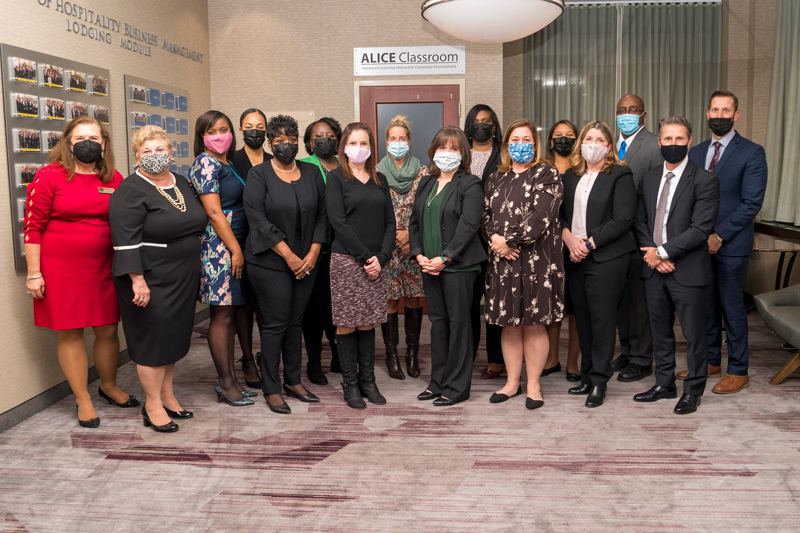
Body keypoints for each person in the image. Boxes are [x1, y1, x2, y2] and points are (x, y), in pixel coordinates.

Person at [23, 115, 137, 429]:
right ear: (68, 143)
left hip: (104, 268)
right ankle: (82, 397)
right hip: (61, 269)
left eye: (95, 138)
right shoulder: (50, 176)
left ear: (104, 143)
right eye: (80, 138)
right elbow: (33, 227)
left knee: (107, 329)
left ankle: (108, 385)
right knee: (71, 331)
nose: (88, 143)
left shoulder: (113, 177)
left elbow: (127, 221)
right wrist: (35, 274)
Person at [110, 125, 208, 432]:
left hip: (182, 274)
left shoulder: (179, 181)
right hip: (149, 277)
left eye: (160, 150)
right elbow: (125, 241)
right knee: (152, 340)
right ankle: (151, 404)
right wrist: (137, 280)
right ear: (137, 155)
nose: (154, 156)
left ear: (171, 152)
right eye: (146, 151)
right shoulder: (129, 190)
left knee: (173, 336)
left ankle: (167, 395)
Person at [633, 115, 719, 415]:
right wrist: (653, 255)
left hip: (688, 270)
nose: (673, 144)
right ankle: (664, 383)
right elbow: (640, 220)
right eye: (667, 139)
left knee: (695, 335)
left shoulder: (706, 180)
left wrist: (664, 253)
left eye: (679, 139)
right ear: (659, 143)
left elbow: (700, 229)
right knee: (660, 331)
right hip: (653, 269)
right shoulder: (649, 178)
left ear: (689, 141)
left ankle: (693, 391)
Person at [244, 115, 329, 414]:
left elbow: (322, 215)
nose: (285, 146)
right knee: (276, 324)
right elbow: (258, 221)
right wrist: (290, 256)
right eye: (279, 141)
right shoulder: (259, 175)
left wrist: (314, 252)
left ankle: (293, 380)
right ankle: (271, 386)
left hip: (307, 261)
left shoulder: (311, 173)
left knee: (296, 322)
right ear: (270, 143)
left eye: (291, 141)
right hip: (269, 262)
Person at [685, 90, 768, 394]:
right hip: (697, 245)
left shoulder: (752, 152)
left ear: (736, 116)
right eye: (714, 110)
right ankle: (710, 361)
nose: (719, 115)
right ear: (707, 114)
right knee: (705, 306)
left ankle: (738, 369)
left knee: (732, 307)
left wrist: (719, 235)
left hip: (731, 245)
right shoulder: (695, 152)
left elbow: (751, 203)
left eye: (725, 110)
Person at [483, 118, 564, 410]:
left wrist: (509, 241)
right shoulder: (495, 178)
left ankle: (534, 385)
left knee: (533, 325)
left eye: (526, 139)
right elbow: (485, 216)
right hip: (503, 263)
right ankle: (512, 383)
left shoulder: (548, 174)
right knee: (509, 326)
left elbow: (541, 218)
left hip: (537, 263)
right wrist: (494, 238)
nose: (520, 145)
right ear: (506, 145)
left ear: (535, 143)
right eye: (514, 140)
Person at [560, 121, 636, 408]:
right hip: (574, 257)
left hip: (606, 258)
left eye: (600, 139)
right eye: (588, 138)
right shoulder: (570, 176)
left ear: (609, 146)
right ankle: (587, 377)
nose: (593, 143)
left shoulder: (620, 174)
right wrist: (569, 238)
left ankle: (600, 382)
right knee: (583, 319)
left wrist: (588, 244)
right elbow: (558, 215)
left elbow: (622, 219)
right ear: (581, 144)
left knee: (603, 320)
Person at [410, 127, 486, 405]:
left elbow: (469, 226)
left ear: (463, 154)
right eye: (443, 148)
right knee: (438, 325)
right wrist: (418, 255)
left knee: (459, 325)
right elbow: (414, 222)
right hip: (428, 265)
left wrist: (446, 258)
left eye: (454, 148)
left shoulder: (470, 184)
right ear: (433, 151)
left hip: (459, 267)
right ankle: (437, 382)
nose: (448, 153)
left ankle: (456, 388)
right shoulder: (426, 183)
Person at [326, 122, 395, 410]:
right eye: (353, 143)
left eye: (364, 143)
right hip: (346, 261)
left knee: (368, 322)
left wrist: (382, 257)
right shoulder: (336, 179)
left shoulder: (380, 179)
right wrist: (367, 256)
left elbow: (390, 222)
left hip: (378, 263)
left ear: (371, 147)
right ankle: (351, 383)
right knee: (347, 324)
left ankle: (369, 381)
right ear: (344, 148)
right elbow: (338, 222)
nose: (359, 148)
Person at [189, 110, 254, 407]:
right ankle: (225, 382)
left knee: (230, 314)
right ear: (202, 137)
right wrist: (236, 251)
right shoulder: (204, 163)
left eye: (224, 129)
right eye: (212, 131)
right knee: (222, 314)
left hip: (235, 242)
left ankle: (230, 378)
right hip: (219, 247)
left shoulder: (226, 162)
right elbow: (214, 213)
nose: (220, 135)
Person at [611, 94, 664, 383]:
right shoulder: (610, 144)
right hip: (615, 240)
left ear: (643, 115)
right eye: (622, 110)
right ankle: (627, 351)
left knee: (641, 304)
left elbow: (658, 196)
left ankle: (642, 359)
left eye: (633, 110)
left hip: (641, 238)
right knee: (622, 302)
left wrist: (654, 241)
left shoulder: (654, 145)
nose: (627, 114)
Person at [376, 115, 428, 381]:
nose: (398, 143)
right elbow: (373, 211)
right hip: (386, 246)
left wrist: (409, 234)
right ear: (386, 142)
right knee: (390, 300)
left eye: (402, 139)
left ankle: (411, 354)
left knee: (413, 297)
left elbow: (427, 209)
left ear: (409, 141)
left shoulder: (423, 172)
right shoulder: (375, 173)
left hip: (414, 245)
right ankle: (391, 355)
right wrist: (393, 234)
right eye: (393, 139)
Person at [230, 108, 272, 389]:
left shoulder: (274, 159)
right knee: (242, 303)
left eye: (259, 126)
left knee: (265, 304)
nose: (254, 130)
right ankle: (246, 358)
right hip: (237, 236)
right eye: (248, 126)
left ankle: (266, 356)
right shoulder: (231, 160)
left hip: (268, 238)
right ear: (241, 130)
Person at [299, 117, 343, 384]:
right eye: (319, 135)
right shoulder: (303, 167)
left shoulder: (346, 167)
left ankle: (339, 354)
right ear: (309, 142)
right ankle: (314, 362)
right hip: (312, 251)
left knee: (337, 308)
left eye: (330, 135)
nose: (325, 139)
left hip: (341, 250)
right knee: (313, 310)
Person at [463, 104, 505, 380]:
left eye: (486, 121)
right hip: (466, 241)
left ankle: (496, 359)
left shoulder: (503, 155)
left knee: (495, 303)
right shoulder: (460, 153)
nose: (481, 126)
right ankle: (467, 356)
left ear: (494, 126)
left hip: (495, 239)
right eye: (476, 121)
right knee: (467, 303)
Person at [543, 119, 582, 382]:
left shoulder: (584, 170)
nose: (564, 139)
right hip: (545, 245)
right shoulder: (541, 169)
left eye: (569, 135)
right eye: (559, 135)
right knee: (551, 304)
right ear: (550, 140)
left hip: (577, 245)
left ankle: (573, 362)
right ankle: (552, 358)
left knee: (576, 306)